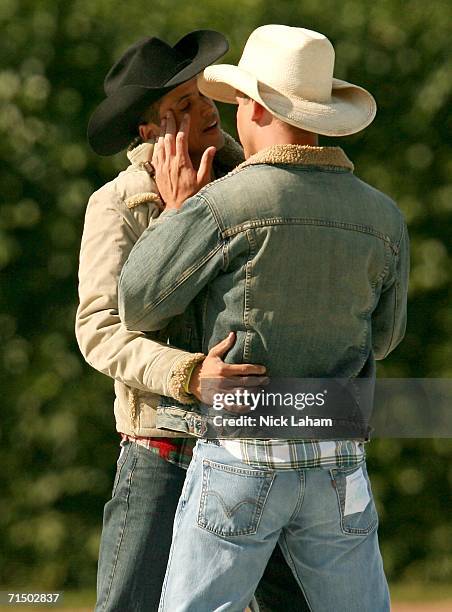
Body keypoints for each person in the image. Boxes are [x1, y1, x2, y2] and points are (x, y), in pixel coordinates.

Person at [118, 25, 409, 612]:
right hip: (337, 460)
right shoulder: (384, 215)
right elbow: (385, 338)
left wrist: (176, 214)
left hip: (243, 454)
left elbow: (138, 302)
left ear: (254, 107)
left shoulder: (224, 205)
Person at [77, 30, 306, 612]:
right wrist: (187, 375)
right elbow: (99, 330)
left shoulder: (254, 182)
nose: (206, 109)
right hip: (162, 447)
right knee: (130, 603)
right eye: (182, 106)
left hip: (257, 444)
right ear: (149, 132)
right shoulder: (116, 203)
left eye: (201, 94)